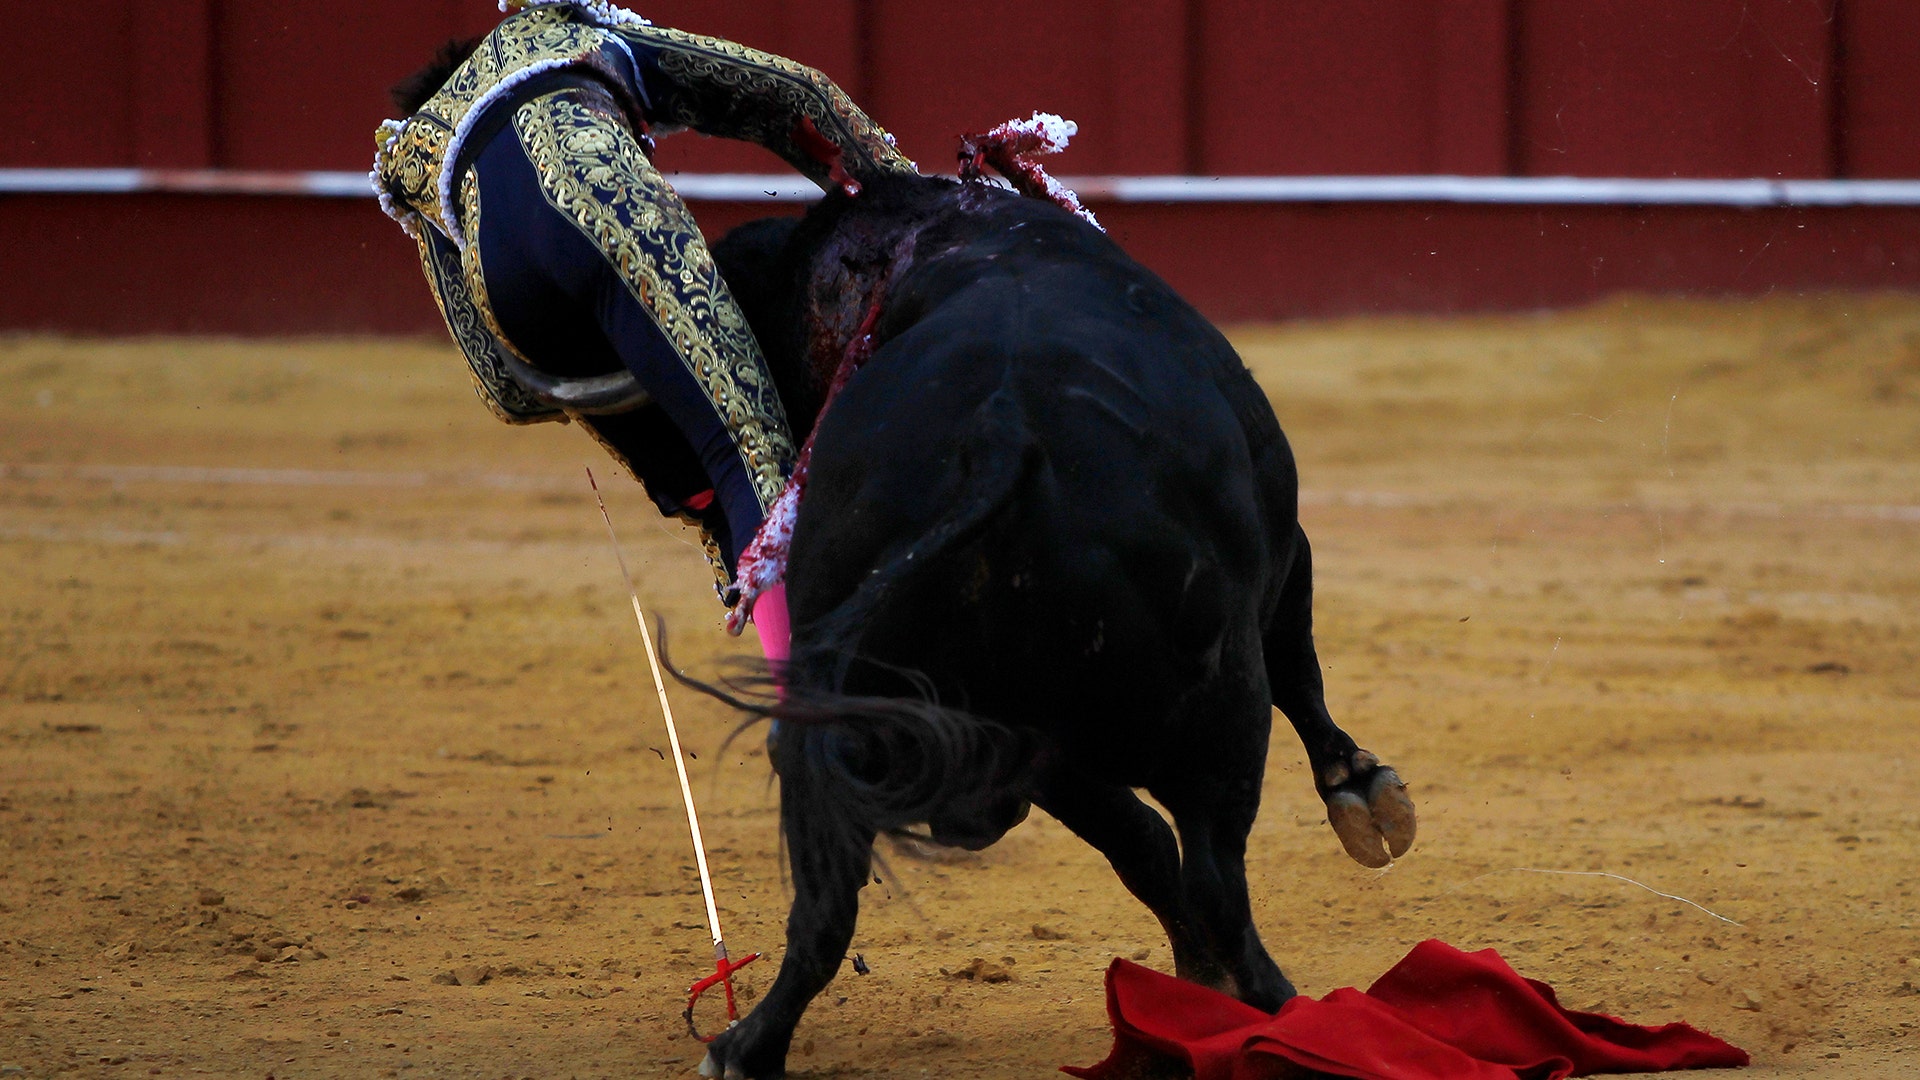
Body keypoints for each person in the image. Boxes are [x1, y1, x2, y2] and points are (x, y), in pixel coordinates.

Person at [372, 0, 918, 664]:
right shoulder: (563, 30)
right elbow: (796, 96)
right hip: (592, 190)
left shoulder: (418, 149)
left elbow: (502, 388)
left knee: (710, 485)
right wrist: (909, 200)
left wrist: (628, 359)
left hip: (515, 304)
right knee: (746, 447)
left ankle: (732, 542)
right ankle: (808, 718)